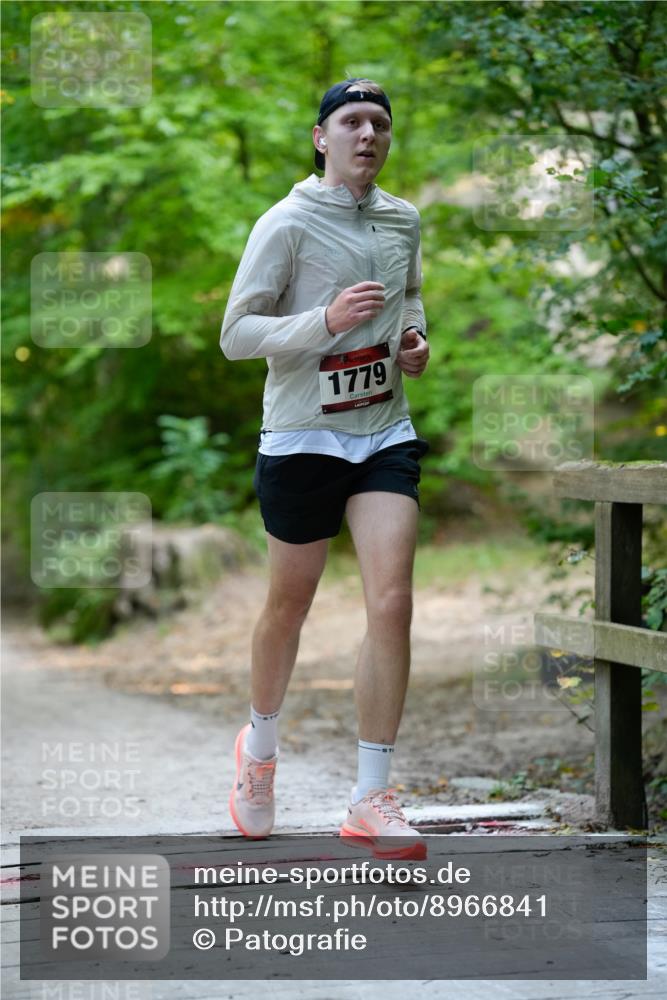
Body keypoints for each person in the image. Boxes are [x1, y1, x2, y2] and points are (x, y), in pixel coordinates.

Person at [220, 78, 430, 861]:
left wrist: (414, 343)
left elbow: (410, 299)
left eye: (379, 123)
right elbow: (236, 334)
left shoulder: (403, 219)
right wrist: (324, 323)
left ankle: (370, 796)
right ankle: (260, 752)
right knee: (289, 606)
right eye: (351, 122)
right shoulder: (286, 222)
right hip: (302, 436)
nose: (367, 135)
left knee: (393, 600)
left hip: (382, 430)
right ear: (321, 137)